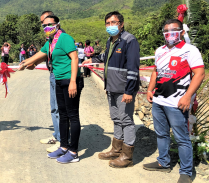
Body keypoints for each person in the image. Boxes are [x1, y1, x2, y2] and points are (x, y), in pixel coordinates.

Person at [143, 19, 205, 183]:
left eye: (174, 31)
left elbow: (199, 74)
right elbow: (156, 72)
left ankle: (186, 172)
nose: (169, 34)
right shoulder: (159, 51)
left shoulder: (190, 50)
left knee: (182, 138)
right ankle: (163, 162)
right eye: (166, 32)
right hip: (159, 101)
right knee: (162, 134)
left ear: (182, 32)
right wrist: (150, 90)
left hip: (177, 103)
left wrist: (187, 96)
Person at [19, 15, 83, 164]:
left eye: (50, 25)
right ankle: (63, 147)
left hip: (70, 80)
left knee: (72, 115)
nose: (47, 28)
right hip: (59, 80)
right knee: (62, 114)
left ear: (57, 25)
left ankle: (73, 152)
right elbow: (38, 56)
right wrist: (23, 64)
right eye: (44, 26)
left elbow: (74, 58)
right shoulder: (50, 42)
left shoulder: (65, 38)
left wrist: (73, 81)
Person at [83, 11, 140, 168]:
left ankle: (127, 156)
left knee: (126, 120)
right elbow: (105, 56)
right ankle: (116, 149)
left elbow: (133, 68)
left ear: (121, 24)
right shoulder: (110, 41)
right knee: (115, 118)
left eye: (113, 22)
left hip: (123, 89)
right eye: (107, 23)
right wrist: (92, 59)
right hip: (112, 87)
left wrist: (129, 91)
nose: (110, 26)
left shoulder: (129, 40)